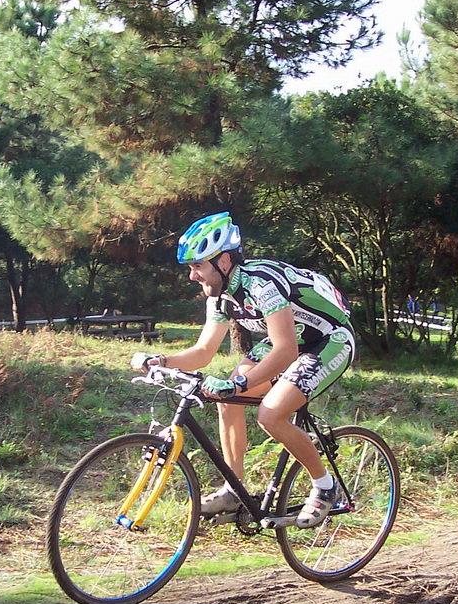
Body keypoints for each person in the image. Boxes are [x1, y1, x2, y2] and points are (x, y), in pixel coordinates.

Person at [130, 212, 356, 528]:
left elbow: (285, 351)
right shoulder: (220, 296)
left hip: (328, 340)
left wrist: (238, 382)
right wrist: (162, 360)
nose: (192, 276)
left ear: (223, 261)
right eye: (191, 267)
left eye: (198, 266)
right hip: (292, 340)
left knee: (270, 414)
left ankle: (325, 487)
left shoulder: (261, 284)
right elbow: (203, 352)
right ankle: (234, 490)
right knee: (226, 401)